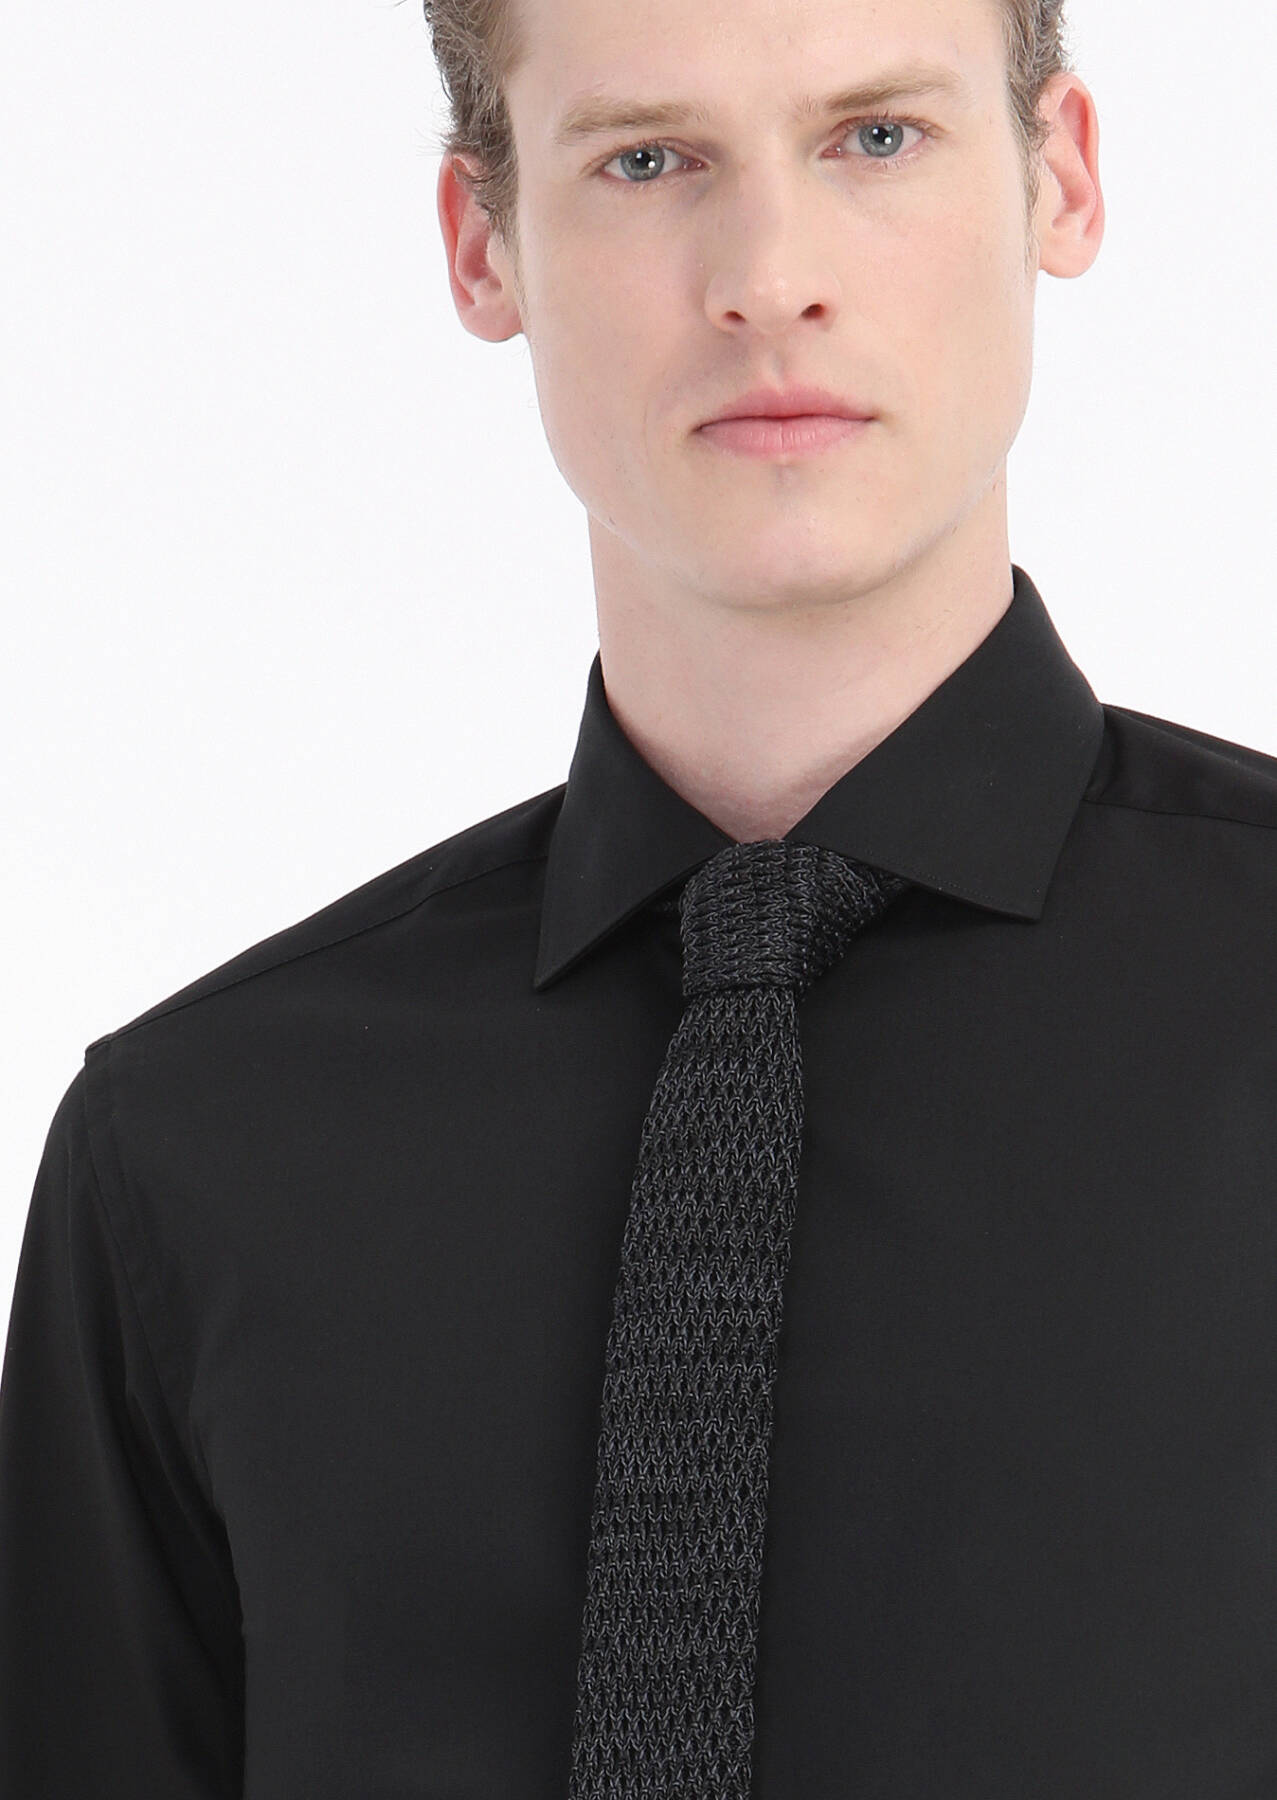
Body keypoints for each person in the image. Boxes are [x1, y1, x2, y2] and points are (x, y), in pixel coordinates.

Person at [2, 0, 1276, 1790]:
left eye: (876, 137)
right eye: (648, 159)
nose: (767, 280)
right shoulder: (192, 1154)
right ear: (484, 243)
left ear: (1057, 178)